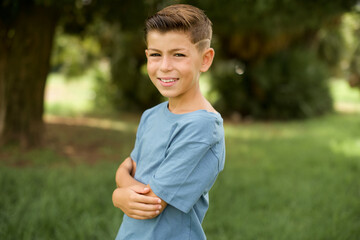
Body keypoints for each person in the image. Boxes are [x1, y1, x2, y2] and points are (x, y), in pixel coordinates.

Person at [112, 4, 225, 240]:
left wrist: (118, 195)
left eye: (178, 54)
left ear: (205, 59)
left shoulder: (203, 127)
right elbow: (129, 166)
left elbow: (151, 203)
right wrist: (123, 177)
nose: (164, 66)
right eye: (155, 54)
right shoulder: (151, 115)